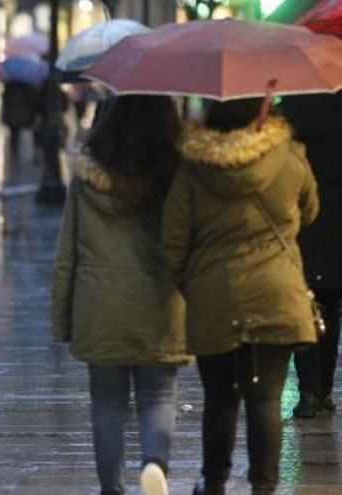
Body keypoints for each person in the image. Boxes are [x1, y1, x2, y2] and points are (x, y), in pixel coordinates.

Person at [162, 99, 320, 495]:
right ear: (261, 111)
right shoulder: (289, 156)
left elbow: (173, 238)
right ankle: (263, 488)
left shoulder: (194, 165)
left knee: (220, 397)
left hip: (215, 294)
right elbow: (311, 210)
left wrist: (191, 284)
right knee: (266, 397)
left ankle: (213, 482)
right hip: (276, 291)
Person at [52, 96, 190, 495]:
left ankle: (112, 487)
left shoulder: (86, 177)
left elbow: (67, 250)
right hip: (161, 301)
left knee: (107, 404)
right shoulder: (177, 173)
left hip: (99, 302)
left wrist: (63, 318)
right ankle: (154, 464)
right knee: (158, 394)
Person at [280, 94, 342, 418]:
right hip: (338, 215)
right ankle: (324, 389)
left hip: (302, 211)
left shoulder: (291, 107)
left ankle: (307, 390)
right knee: (331, 303)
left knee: (303, 300)